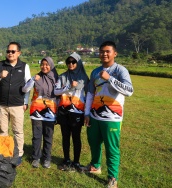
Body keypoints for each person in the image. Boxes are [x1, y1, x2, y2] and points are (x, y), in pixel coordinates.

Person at [84, 41, 134, 188]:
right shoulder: (95, 72)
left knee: (111, 147)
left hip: (112, 117)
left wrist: (109, 78)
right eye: (101, 51)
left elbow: (129, 91)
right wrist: (87, 113)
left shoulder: (120, 70)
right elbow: (90, 93)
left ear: (114, 53)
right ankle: (95, 166)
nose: (104, 54)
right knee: (94, 143)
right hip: (94, 115)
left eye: (107, 51)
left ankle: (112, 177)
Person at [0, 42, 31, 166]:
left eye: (13, 51)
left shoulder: (24, 66)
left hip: (17, 104)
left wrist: (25, 102)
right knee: (3, 131)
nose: (10, 53)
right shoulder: (0, 65)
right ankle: (5, 153)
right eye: (8, 51)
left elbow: (28, 86)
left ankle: (18, 154)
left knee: (18, 131)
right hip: (2, 104)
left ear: (19, 53)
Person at [54, 53, 89, 172]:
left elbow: (89, 95)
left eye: (73, 62)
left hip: (77, 112)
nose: (71, 64)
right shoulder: (62, 77)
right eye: (68, 62)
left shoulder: (84, 78)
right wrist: (69, 86)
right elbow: (56, 91)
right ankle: (66, 160)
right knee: (65, 137)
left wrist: (87, 113)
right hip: (64, 111)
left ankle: (76, 162)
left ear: (78, 63)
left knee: (76, 137)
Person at [22, 57, 58, 168]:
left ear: (51, 65)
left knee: (48, 136)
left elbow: (59, 95)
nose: (44, 66)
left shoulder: (56, 78)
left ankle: (47, 158)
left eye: (47, 64)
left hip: (50, 111)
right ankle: (36, 157)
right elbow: (24, 89)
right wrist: (33, 79)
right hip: (36, 111)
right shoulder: (37, 77)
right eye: (42, 64)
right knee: (36, 136)